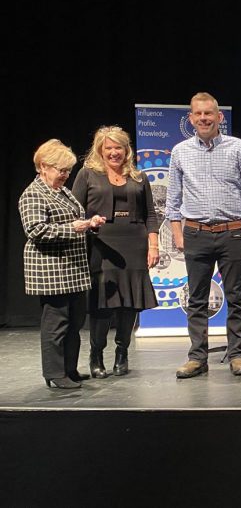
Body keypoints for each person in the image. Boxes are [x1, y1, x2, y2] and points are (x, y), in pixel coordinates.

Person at [165, 92, 241, 378]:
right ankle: (197, 357)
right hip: (195, 232)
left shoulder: (237, 147)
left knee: (236, 296)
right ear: (191, 118)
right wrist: (177, 232)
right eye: (198, 114)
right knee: (196, 299)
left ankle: (236, 355)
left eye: (209, 113)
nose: (204, 118)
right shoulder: (180, 151)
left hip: (232, 232)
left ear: (219, 117)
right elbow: (173, 199)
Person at [72, 126, 159, 379]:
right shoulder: (87, 174)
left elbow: (151, 215)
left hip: (134, 242)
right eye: (108, 148)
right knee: (103, 302)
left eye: (118, 147)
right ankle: (96, 354)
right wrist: (87, 226)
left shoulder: (139, 177)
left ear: (126, 150)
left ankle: (123, 353)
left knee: (130, 302)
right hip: (101, 244)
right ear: (100, 150)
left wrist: (153, 245)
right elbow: (75, 211)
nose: (113, 153)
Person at [19, 139, 105, 389]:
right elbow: (36, 230)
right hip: (51, 270)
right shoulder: (33, 194)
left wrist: (89, 223)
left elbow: (74, 220)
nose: (66, 175)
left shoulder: (63, 191)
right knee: (56, 325)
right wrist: (73, 227)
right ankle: (55, 373)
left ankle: (69, 369)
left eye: (68, 170)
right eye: (61, 170)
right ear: (43, 166)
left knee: (75, 322)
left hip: (74, 269)